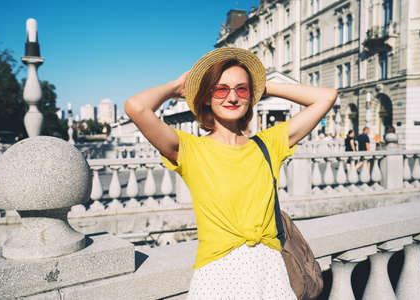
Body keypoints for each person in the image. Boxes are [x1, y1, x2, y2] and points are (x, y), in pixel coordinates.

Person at [125, 48, 337, 299]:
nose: (232, 97)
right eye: (221, 89)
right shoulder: (191, 150)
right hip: (219, 277)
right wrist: (176, 86)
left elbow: (326, 96)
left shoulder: (268, 144)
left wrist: (263, 87)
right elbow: (136, 107)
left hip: (271, 275)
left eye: (241, 89)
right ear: (207, 97)